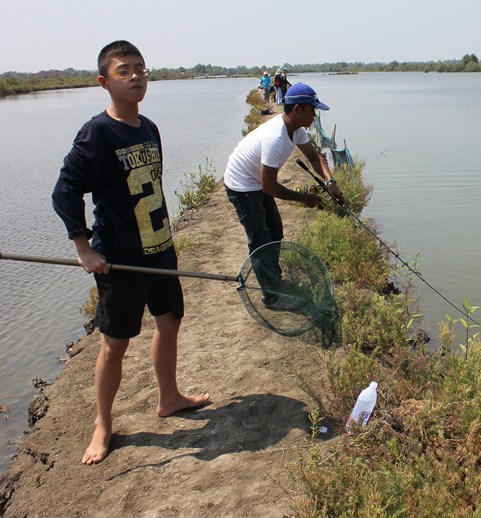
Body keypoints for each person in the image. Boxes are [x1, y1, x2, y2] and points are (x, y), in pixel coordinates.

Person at [52, 40, 210, 465]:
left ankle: (169, 397)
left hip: (160, 250)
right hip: (120, 258)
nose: (136, 75)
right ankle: (103, 424)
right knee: (115, 344)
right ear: (105, 81)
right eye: (125, 70)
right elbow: (65, 192)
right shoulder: (97, 133)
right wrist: (84, 248)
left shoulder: (149, 128)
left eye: (140, 68)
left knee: (170, 321)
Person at [223, 82, 344, 309]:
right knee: (260, 238)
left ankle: (273, 279)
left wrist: (330, 182)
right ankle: (271, 296)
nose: (314, 115)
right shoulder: (275, 138)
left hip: (258, 183)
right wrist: (303, 199)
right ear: (298, 109)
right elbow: (269, 187)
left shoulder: (296, 129)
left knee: (275, 231)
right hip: (242, 185)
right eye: (312, 110)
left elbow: (314, 156)